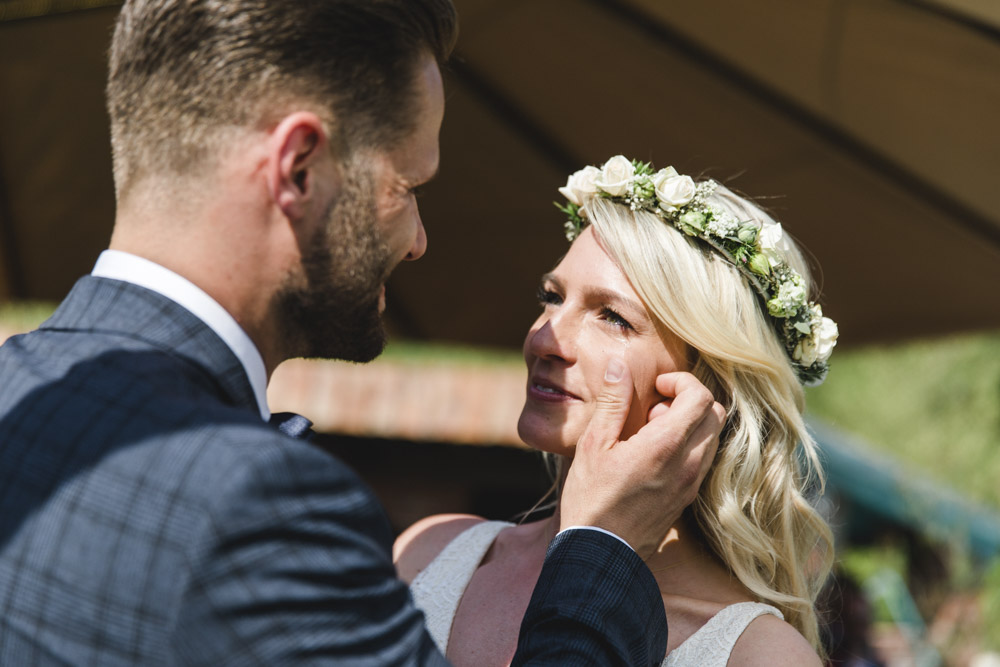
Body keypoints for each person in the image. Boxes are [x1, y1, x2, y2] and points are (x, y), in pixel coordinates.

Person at [0, 4, 725, 666]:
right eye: (407, 188)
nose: (418, 242)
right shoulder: (261, 505)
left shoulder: (14, 387)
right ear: (299, 168)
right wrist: (602, 546)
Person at [395, 156, 840, 666]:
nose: (545, 338)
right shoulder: (430, 552)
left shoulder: (758, 655)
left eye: (612, 317)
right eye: (551, 297)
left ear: (708, 383)